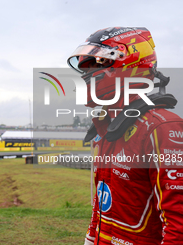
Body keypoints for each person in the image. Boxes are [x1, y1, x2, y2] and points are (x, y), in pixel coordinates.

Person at [68, 27, 183, 245]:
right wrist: (91, 238)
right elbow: (102, 202)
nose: (87, 75)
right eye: (86, 68)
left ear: (129, 64)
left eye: (97, 65)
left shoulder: (162, 128)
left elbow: (179, 224)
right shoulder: (106, 127)